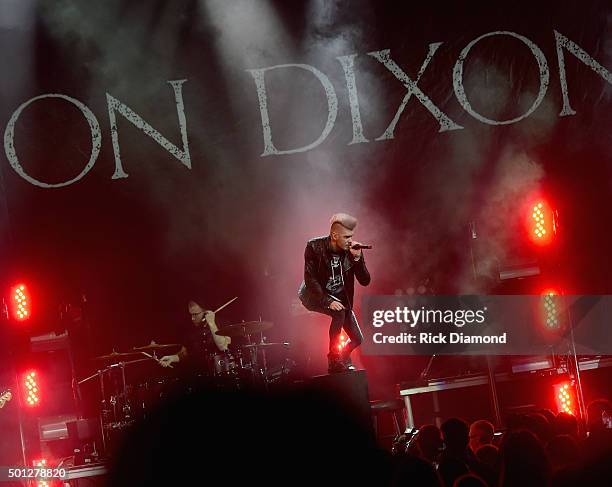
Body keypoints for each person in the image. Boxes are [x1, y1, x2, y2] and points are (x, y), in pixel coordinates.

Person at [298, 212, 371, 373]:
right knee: (339, 313)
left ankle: (342, 358)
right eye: (346, 237)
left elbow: (365, 281)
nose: (350, 240)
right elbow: (310, 280)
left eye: (351, 236)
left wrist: (358, 259)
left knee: (358, 339)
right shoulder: (314, 247)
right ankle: (333, 358)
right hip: (313, 295)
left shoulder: (352, 252)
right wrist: (327, 301)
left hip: (339, 297)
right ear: (334, 235)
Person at [159, 300, 231, 371]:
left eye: (195, 314)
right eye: (191, 314)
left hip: (222, 371)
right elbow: (185, 354)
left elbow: (223, 347)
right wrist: (172, 358)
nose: (192, 318)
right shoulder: (190, 330)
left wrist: (211, 323)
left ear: (205, 312)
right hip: (200, 374)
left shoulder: (223, 323)